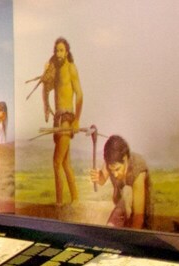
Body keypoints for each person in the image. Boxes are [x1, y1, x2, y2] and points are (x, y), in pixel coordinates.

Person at [41, 38, 84, 206]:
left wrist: (77, 121)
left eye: (61, 50)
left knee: (56, 162)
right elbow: (46, 87)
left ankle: (59, 203)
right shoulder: (55, 69)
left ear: (67, 52)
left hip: (67, 119)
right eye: (56, 50)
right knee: (65, 163)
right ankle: (75, 199)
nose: (59, 54)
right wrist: (46, 106)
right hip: (57, 119)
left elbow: (79, 95)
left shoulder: (71, 69)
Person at [92, 135, 151, 229]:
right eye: (112, 170)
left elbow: (139, 218)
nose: (114, 175)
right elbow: (101, 180)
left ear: (125, 158)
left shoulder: (138, 170)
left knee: (127, 191)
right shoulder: (111, 162)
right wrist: (98, 176)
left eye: (117, 169)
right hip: (121, 212)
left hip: (141, 219)